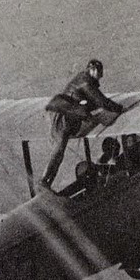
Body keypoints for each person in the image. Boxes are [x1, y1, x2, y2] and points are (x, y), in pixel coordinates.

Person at [40, 59, 124, 190]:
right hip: (63, 116)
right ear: (94, 70)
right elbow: (101, 101)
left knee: (59, 150)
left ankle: (45, 183)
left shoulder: (82, 79)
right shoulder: (86, 82)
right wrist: (119, 108)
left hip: (65, 114)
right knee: (59, 150)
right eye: (100, 72)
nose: (101, 76)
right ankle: (44, 182)